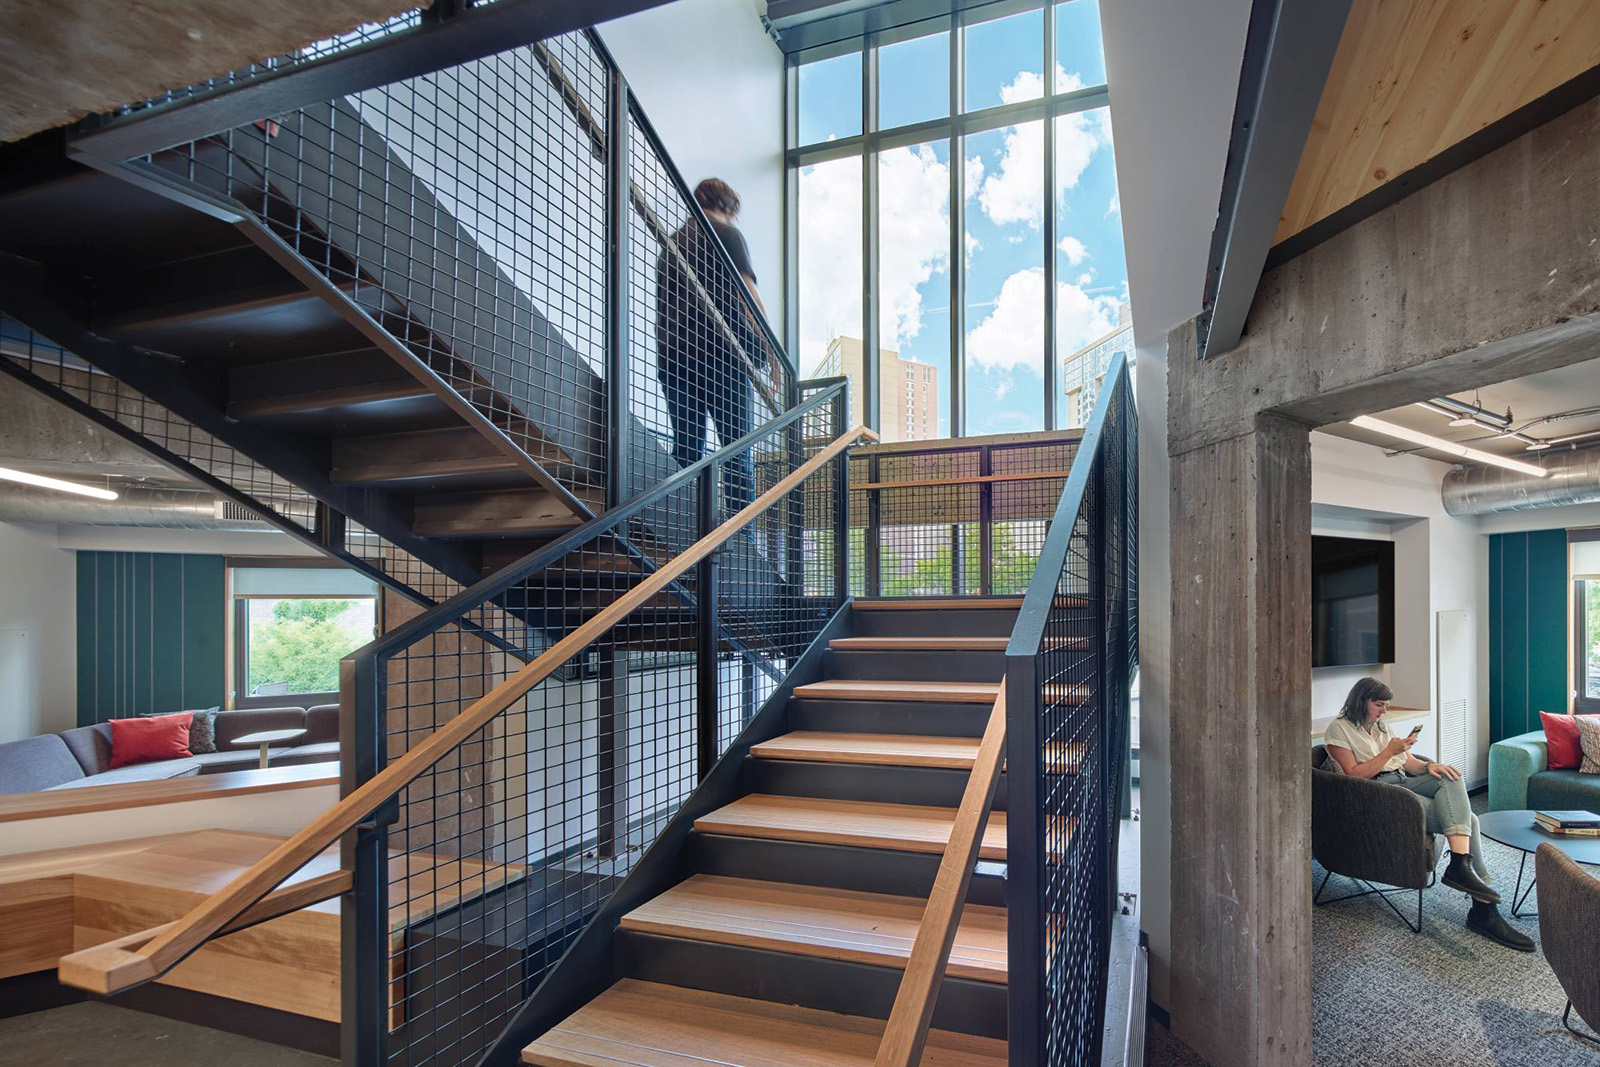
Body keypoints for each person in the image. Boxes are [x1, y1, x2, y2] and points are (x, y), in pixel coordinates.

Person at [1324, 677, 1533, 951]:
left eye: (1386, 705)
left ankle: (1461, 867)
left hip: (1402, 779)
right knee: (1469, 819)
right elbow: (1354, 775)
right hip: (1379, 794)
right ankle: (1482, 907)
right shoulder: (1339, 729)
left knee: (1450, 776)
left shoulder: (1380, 726)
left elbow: (1408, 763)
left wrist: (1430, 767)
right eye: (1379, 704)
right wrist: (1389, 751)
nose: (1384, 711)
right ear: (1360, 701)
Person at [655, 178, 777, 515]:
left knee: (687, 452)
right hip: (724, 357)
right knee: (737, 452)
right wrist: (771, 352)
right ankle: (742, 542)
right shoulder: (726, 234)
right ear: (728, 207)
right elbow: (747, 294)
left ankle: (682, 530)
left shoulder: (673, 243)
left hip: (674, 360)